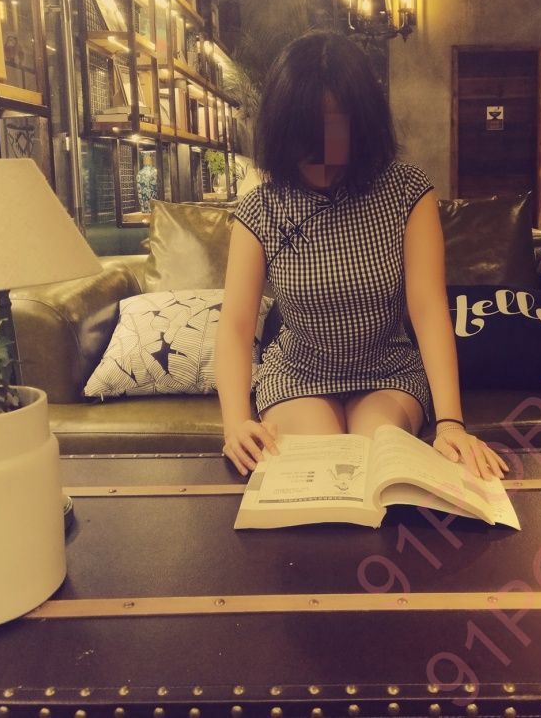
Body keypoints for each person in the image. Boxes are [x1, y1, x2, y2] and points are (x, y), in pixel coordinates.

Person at [215, 30, 508, 482]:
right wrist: (235, 423)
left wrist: (451, 422)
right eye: (303, 139)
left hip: (388, 370)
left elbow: (428, 308)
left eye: (333, 134)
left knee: (377, 459)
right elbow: (236, 325)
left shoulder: (407, 191)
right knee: (322, 464)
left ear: (362, 124)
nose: (319, 157)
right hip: (298, 372)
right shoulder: (261, 209)